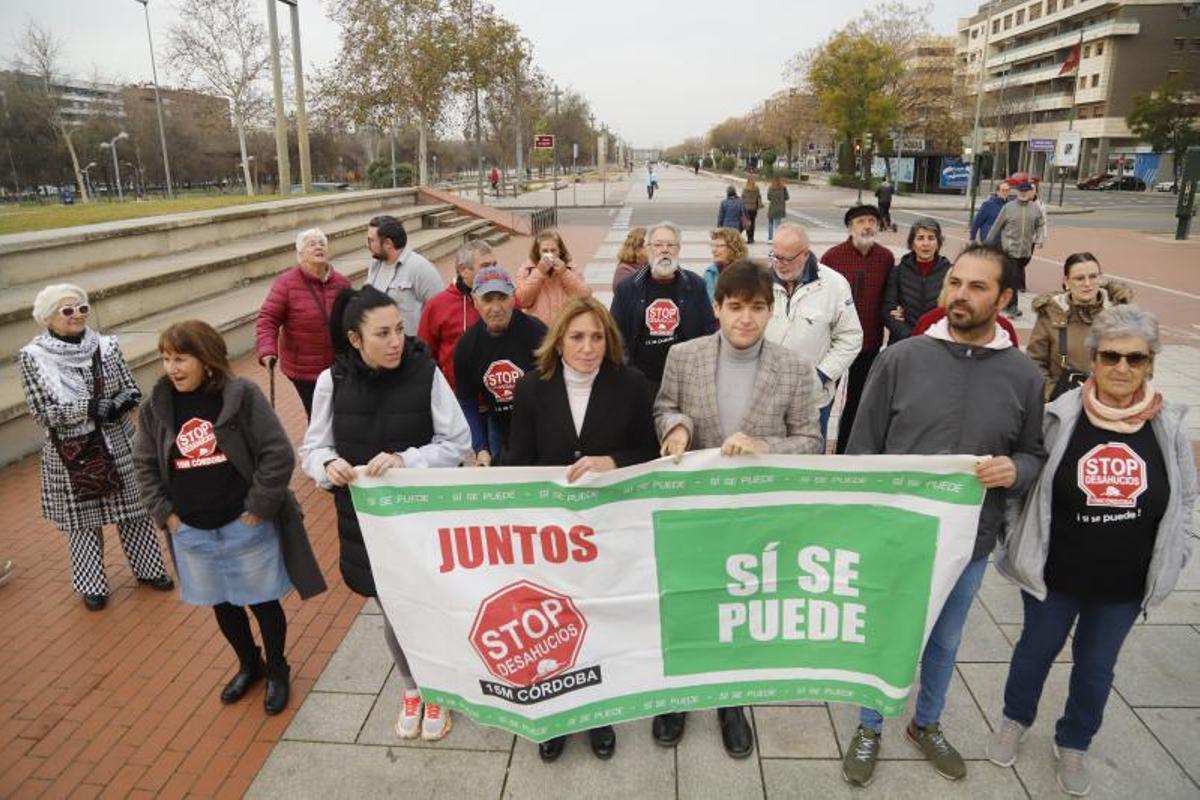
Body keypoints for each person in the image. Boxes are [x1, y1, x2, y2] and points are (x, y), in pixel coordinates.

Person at [839, 243, 1046, 788]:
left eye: (977, 287)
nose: (960, 295)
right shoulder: (900, 359)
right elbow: (861, 451)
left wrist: (1015, 471)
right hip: (897, 537)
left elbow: (1033, 454)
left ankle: (926, 723)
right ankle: (869, 723)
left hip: (970, 542)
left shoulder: (1023, 375)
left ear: (1003, 298)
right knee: (887, 634)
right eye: (956, 282)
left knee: (945, 641)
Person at [990, 305, 1195, 797]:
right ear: (1093, 359)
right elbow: (1026, 483)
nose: (1122, 368)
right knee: (1034, 653)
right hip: (1055, 574)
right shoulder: (1061, 417)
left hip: (1123, 584)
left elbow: (1186, 498)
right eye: (1110, 356)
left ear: (1150, 364)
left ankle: (1075, 741)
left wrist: (1177, 554)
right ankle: (1014, 720)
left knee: (1097, 668)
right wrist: (1019, 541)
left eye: (1136, 358)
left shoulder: (1167, 427)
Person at [654, 259, 823, 759]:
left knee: (740, 611)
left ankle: (732, 701)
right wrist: (676, 429)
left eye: (756, 308)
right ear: (717, 308)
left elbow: (812, 441)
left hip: (755, 518)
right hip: (693, 511)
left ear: (772, 312)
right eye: (735, 307)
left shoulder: (793, 368)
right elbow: (663, 406)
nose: (744, 318)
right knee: (686, 602)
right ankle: (678, 694)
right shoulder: (684, 357)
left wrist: (766, 447)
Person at [299, 286, 471, 741]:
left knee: (430, 610)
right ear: (355, 339)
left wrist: (406, 460)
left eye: (399, 329)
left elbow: (457, 443)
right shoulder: (330, 382)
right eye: (383, 333)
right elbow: (314, 448)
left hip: (423, 522)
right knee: (393, 613)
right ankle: (413, 687)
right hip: (367, 526)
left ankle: (440, 689)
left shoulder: (426, 374)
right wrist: (326, 465)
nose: (396, 341)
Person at [134, 321, 325, 715]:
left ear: (206, 359)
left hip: (244, 525)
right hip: (190, 530)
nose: (172, 367)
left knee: (262, 602)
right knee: (221, 603)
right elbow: (144, 463)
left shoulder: (241, 395)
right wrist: (166, 515)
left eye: (181, 357)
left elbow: (277, 453)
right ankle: (249, 664)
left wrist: (257, 508)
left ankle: (277, 668)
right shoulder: (156, 405)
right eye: (166, 358)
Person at [506, 296, 659, 762]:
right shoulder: (532, 389)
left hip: (608, 529)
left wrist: (612, 461)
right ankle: (553, 713)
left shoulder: (630, 385)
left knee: (597, 620)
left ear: (609, 340)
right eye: (577, 336)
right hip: (552, 533)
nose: (588, 347)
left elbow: (648, 453)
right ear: (559, 341)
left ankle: (597, 711)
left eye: (597, 337)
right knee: (551, 623)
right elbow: (518, 463)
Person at [17, 284, 173, 611]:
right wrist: (89, 409)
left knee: (135, 512)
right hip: (72, 450)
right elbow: (42, 412)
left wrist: (119, 402)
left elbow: (130, 387)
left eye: (82, 308)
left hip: (118, 439)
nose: (78, 316)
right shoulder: (34, 357)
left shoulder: (106, 346)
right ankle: (92, 585)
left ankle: (149, 570)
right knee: (82, 523)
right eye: (68, 310)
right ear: (48, 319)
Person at [764, 222, 862, 440]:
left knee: (806, 463)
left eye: (787, 259)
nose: (779, 264)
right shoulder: (759, 281)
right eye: (775, 256)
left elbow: (851, 337)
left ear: (805, 254)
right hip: (765, 399)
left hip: (813, 401)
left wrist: (821, 375)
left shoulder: (835, 285)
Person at [610, 221, 718, 397]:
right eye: (658, 245)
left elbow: (708, 331)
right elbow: (615, 333)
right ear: (647, 249)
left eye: (670, 245)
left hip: (684, 383)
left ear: (678, 249)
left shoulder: (695, 285)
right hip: (641, 383)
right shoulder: (627, 288)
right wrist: (626, 373)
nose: (664, 250)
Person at [453, 266, 547, 466]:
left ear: (513, 298)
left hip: (541, 425)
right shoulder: (466, 346)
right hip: (498, 426)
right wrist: (481, 448)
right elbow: (467, 402)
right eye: (488, 299)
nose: (496, 308)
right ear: (475, 301)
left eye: (502, 298)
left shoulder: (537, 332)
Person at [820, 204, 895, 454]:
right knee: (824, 398)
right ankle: (815, 447)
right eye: (861, 221)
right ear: (850, 227)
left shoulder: (885, 258)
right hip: (835, 343)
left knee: (858, 402)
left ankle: (845, 451)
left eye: (872, 221)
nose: (867, 226)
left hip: (870, 342)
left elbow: (890, 296)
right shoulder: (832, 257)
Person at [256, 228, 352, 418]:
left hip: (337, 365)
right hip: (304, 370)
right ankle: (317, 446)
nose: (318, 247)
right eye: (311, 244)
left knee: (340, 412)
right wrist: (267, 350)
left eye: (322, 243)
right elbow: (268, 318)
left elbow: (352, 318)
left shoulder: (342, 283)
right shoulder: (286, 283)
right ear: (300, 255)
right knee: (318, 414)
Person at [1026, 252, 1134, 401]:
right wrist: (1052, 394)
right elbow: (1034, 362)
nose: (1087, 284)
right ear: (1066, 281)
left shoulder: (1118, 313)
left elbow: (1136, 361)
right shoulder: (1052, 313)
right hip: (1063, 405)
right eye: (1079, 278)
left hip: (1109, 402)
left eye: (1093, 277)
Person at [417, 241, 495, 391]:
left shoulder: (506, 299)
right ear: (463, 270)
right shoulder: (437, 305)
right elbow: (425, 355)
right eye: (485, 266)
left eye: (494, 265)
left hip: (500, 397)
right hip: (457, 399)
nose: (493, 271)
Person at [365, 214, 444, 333]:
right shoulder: (375, 265)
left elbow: (441, 311)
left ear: (388, 243)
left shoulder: (421, 268)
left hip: (410, 347)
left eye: (371, 240)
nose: (367, 245)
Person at [883, 218, 952, 342]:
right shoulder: (898, 272)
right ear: (912, 243)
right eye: (920, 238)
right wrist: (911, 337)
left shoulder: (951, 273)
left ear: (938, 242)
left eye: (931, 238)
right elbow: (888, 311)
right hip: (904, 342)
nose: (926, 243)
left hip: (938, 342)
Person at [985, 181, 1046, 318]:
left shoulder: (1035, 208)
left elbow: (1040, 224)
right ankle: (1013, 307)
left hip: (1025, 251)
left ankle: (1002, 299)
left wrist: (1040, 238)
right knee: (1014, 279)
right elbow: (996, 227)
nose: (1024, 194)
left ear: (1030, 193)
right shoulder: (1008, 207)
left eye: (1026, 191)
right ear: (1017, 192)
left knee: (1012, 278)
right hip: (1010, 250)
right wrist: (986, 245)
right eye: (1021, 191)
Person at [514, 230, 591, 327]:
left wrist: (565, 273)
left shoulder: (570, 268)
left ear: (560, 251)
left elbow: (584, 296)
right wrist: (539, 272)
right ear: (538, 252)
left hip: (565, 328)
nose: (549, 254)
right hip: (538, 330)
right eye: (545, 251)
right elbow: (522, 301)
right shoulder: (527, 270)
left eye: (553, 250)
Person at [703, 228, 749, 303]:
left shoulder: (747, 274)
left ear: (733, 247)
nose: (714, 250)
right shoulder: (710, 273)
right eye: (713, 245)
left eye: (720, 246)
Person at [766, 175, 790, 242]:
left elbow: (769, 197)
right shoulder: (783, 188)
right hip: (780, 208)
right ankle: (776, 238)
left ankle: (770, 238)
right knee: (778, 224)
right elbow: (787, 197)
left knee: (770, 223)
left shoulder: (771, 187)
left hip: (772, 207)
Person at [741, 177, 762, 243]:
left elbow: (742, 197)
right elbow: (758, 197)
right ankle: (751, 238)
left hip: (746, 208)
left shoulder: (745, 188)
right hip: (753, 208)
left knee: (747, 223)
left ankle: (748, 238)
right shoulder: (756, 188)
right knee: (753, 223)